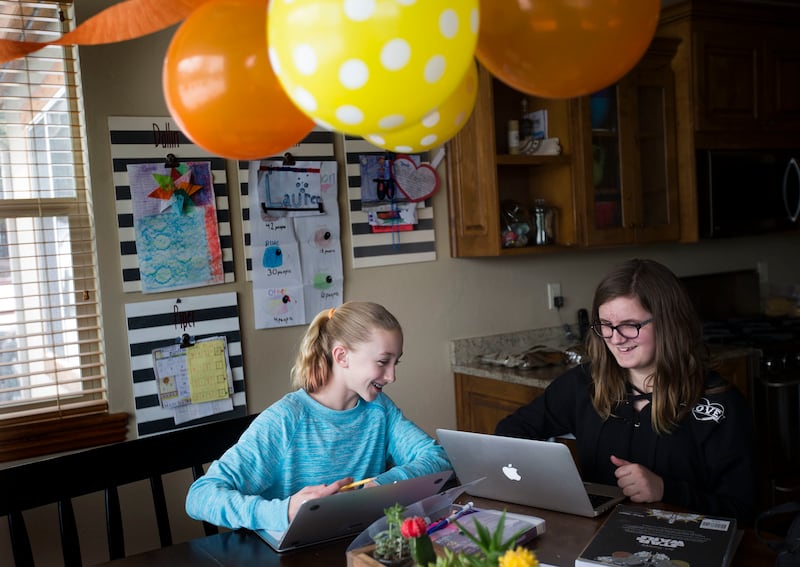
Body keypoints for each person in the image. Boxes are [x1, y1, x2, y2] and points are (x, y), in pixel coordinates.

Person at [495, 258, 757, 525]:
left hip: (683, 542)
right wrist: (559, 479)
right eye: (605, 325)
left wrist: (666, 489)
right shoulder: (584, 384)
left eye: (630, 325)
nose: (616, 338)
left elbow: (743, 511)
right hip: (596, 537)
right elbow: (510, 432)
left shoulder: (718, 404)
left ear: (669, 322)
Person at [185, 301, 451, 533]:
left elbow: (437, 457)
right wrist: (286, 510)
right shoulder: (285, 420)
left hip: (353, 543)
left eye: (396, 363)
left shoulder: (380, 410)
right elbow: (200, 496)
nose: (392, 376)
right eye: (383, 362)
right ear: (342, 356)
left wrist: (381, 486)